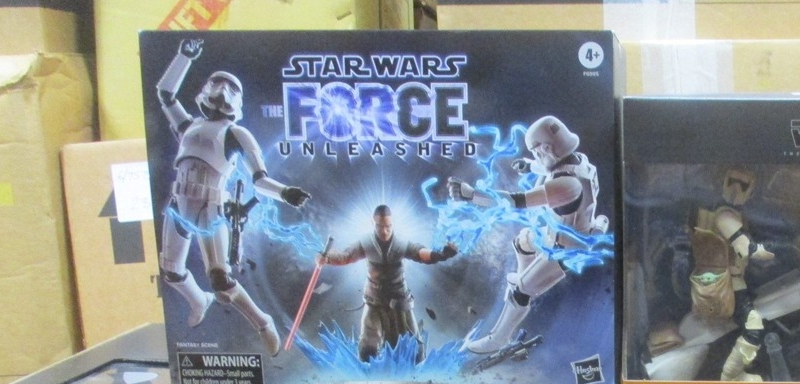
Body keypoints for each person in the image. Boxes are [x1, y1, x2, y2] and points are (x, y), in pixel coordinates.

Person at [155, 38, 310, 355]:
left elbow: (259, 179)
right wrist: (185, 56)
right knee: (171, 271)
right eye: (217, 82)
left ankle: (263, 323)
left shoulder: (236, 134)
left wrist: (285, 193)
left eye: (231, 87)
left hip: (210, 209)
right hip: (178, 205)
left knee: (221, 281)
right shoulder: (189, 127)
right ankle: (198, 301)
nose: (222, 89)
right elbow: (166, 94)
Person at [447, 115, 607, 355]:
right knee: (522, 242)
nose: (537, 156)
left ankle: (499, 338)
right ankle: (526, 279)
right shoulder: (580, 161)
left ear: (547, 148)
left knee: (520, 290)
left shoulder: (567, 185)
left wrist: (472, 195)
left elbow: (515, 201)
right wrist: (530, 165)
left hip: (566, 250)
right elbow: (553, 165)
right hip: (567, 231)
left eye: (537, 152)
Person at [316, 205, 458, 363]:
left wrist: (440, 255)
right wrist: (327, 257)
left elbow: (420, 253)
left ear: (393, 223)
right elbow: (345, 256)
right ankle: (369, 377)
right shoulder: (366, 242)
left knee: (415, 349)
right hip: (374, 302)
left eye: (388, 226)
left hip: (400, 300)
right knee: (367, 347)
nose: (384, 231)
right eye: (380, 226)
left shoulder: (401, 243)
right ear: (373, 223)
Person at [688, 167, 776, 381]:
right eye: (732, 182)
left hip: (723, 282)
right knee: (754, 326)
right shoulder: (725, 215)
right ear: (723, 182)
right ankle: (730, 376)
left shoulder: (729, 213)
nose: (736, 189)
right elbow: (747, 249)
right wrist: (776, 249)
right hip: (728, 286)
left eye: (743, 185)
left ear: (751, 190)